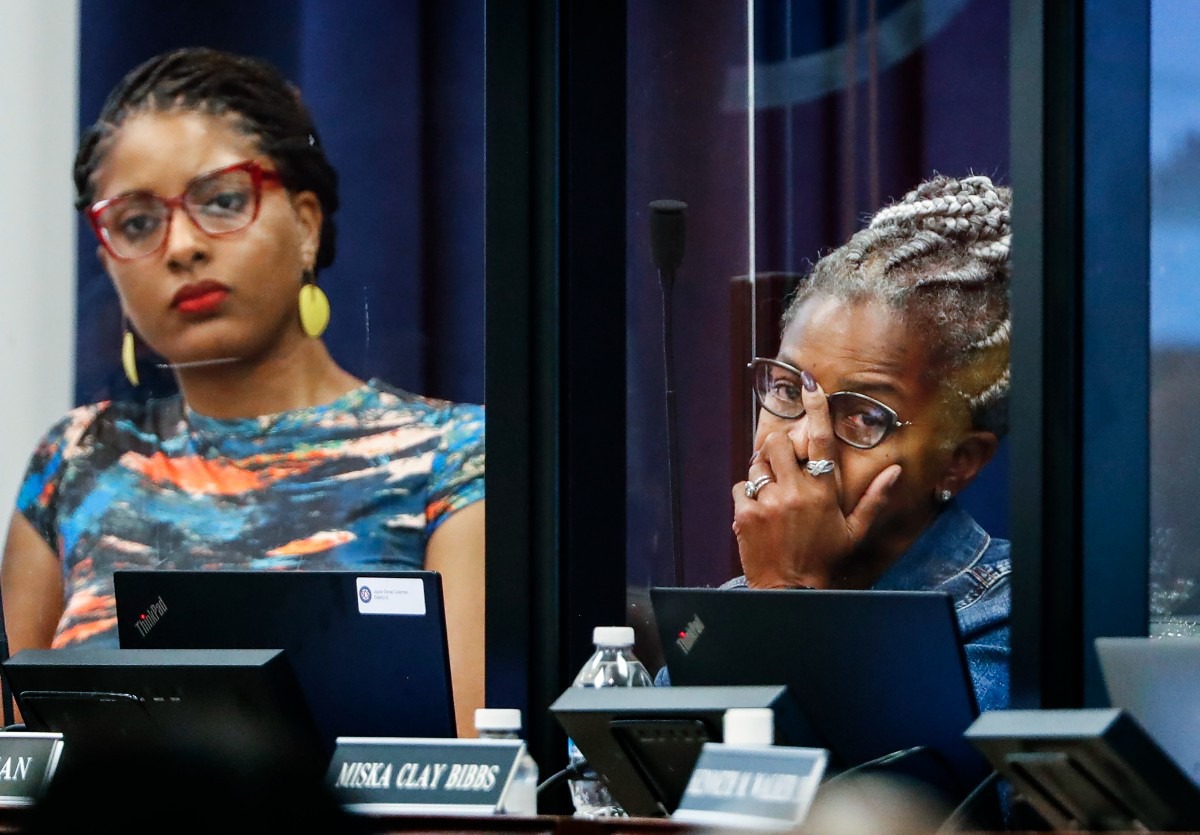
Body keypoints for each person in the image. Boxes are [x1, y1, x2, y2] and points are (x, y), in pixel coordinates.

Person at [0, 48, 485, 735]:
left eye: (223, 201)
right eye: (137, 222)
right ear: (107, 260)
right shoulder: (75, 461)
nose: (181, 246)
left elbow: (474, 780)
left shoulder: (454, 458)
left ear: (308, 223)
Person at [731, 173, 1011, 712]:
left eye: (863, 416)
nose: (803, 440)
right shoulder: (743, 597)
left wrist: (788, 594)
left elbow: (887, 790)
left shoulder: (1009, 619)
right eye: (788, 389)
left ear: (958, 461)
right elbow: (611, 772)